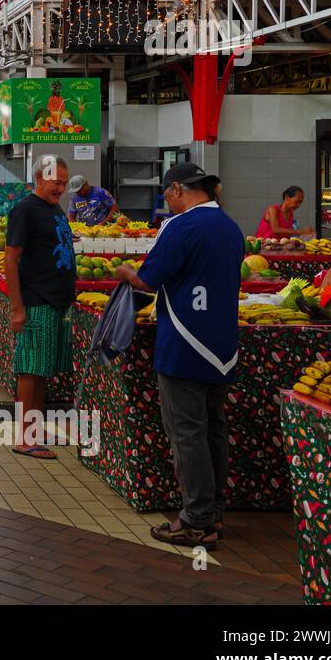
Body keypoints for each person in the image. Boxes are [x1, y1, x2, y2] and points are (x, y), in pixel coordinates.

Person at [115, 162, 242, 548]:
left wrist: (124, 272)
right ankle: (213, 511)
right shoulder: (231, 227)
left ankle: (196, 520)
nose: (166, 203)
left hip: (186, 343)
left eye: (166, 195)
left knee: (187, 434)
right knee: (214, 430)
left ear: (176, 189)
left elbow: (147, 280)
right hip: (222, 345)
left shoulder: (181, 226)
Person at [5, 155, 76, 460]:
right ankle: (24, 436)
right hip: (36, 301)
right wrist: (18, 308)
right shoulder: (26, 209)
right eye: (55, 182)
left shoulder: (52, 208)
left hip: (56, 301)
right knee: (30, 370)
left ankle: (35, 429)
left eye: (64, 182)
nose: (61, 187)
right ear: (39, 178)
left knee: (43, 369)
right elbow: (11, 258)